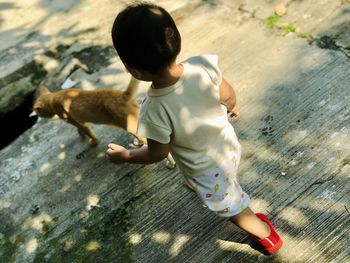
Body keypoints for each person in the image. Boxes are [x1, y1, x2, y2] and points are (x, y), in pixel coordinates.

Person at [106, 2, 283, 255]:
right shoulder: (202, 65)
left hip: (207, 170)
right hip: (227, 146)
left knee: (234, 208)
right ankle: (202, 184)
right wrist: (232, 106)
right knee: (222, 180)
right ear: (174, 38)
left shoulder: (155, 110)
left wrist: (125, 156)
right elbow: (228, 94)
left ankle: (266, 236)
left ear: (133, 70)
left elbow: (156, 153)